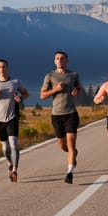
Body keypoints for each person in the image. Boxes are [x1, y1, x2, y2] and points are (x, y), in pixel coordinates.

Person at [0, 59, 29, 182]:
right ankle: (9, 162)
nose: (2, 69)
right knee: (5, 147)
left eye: (4, 67)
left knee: (14, 144)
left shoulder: (16, 82)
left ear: (7, 68)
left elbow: (26, 94)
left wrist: (20, 98)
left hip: (12, 118)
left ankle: (14, 170)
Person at [40, 51, 82, 184]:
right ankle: (73, 153)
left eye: (62, 58)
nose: (60, 60)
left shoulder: (73, 74)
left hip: (71, 114)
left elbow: (79, 88)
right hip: (56, 115)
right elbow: (43, 95)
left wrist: (77, 91)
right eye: (57, 58)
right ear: (54, 61)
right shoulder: (50, 76)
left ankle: (70, 172)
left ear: (67, 61)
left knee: (70, 143)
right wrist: (56, 89)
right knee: (62, 145)